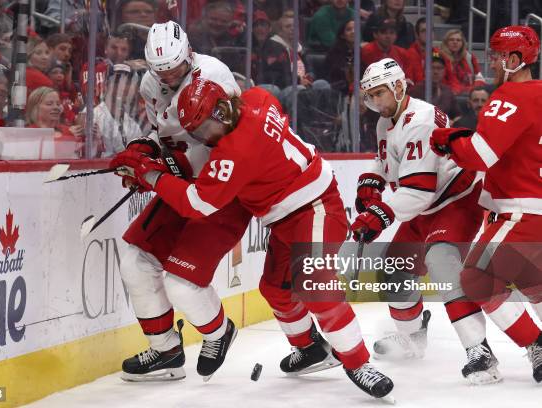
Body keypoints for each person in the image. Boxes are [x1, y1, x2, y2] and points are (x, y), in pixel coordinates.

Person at [110, 77, 396, 400]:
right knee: (274, 289)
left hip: (315, 208)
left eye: (203, 130)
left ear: (220, 112)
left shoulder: (237, 150)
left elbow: (197, 203)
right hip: (286, 214)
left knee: (315, 283)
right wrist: (160, 166)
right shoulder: (257, 98)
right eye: (196, 133)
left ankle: (358, 363)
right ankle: (311, 349)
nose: (203, 139)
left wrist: (150, 174)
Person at [102, 21, 254, 383]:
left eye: (174, 67)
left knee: (181, 281)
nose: (168, 75)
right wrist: (146, 151)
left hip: (221, 191)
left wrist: (155, 171)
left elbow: (227, 144)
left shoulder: (214, 74)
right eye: (161, 69)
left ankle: (218, 333)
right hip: (183, 185)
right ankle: (166, 349)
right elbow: (166, 134)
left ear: (188, 53)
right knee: (135, 263)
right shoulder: (150, 83)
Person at [351, 58, 501, 385]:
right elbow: (385, 162)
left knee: (442, 263)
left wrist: (379, 214)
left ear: (399, 87)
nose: (375, 101)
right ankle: (412, 337)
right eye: (370, 95)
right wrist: (371, 180)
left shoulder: (419, 120)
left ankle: (480, 351)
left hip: (457, 199)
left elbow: (419, 190)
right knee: (393, 268)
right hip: (427, 204)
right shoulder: (387, 120)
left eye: (380, 93)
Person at [430, 25, 542, 383]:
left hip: (520, 212)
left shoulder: (510, 96)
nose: (491, 62)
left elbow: (480, 156)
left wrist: (450, 141)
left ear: (514, 59)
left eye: (497, 55)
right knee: (534, 287)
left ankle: (536, 343)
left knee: (475, 278)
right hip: (534, 208)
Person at [91, 63, 143, 157]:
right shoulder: (93, 116)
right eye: (117, 81)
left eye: (126, 82)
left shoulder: (134, 126)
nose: (121, 87)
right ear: (106, 84)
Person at [409, 51, 460, 121]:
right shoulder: (415, 91)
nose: (436, 72)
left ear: (444, 71)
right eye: (432, 68)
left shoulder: (448, 91)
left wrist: (453, 122)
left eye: (439, 68)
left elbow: (457, 116)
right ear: (425, 70)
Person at [361, 18, 413, 83]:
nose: (388, 36)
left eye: (392, 33)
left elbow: (409, 78)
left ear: (396, 35)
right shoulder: (365, 52)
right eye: (383, 32)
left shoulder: (402, 53)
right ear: (375, 34)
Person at [440, 29, 485, 95]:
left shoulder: (469, 57)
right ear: (446, 42)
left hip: (470, 94)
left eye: (458, 40)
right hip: (449, 94)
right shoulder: (440, 58)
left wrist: (474, 88)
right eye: (451, 40)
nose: (455, 42)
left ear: (462, 43)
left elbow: (479, 78)